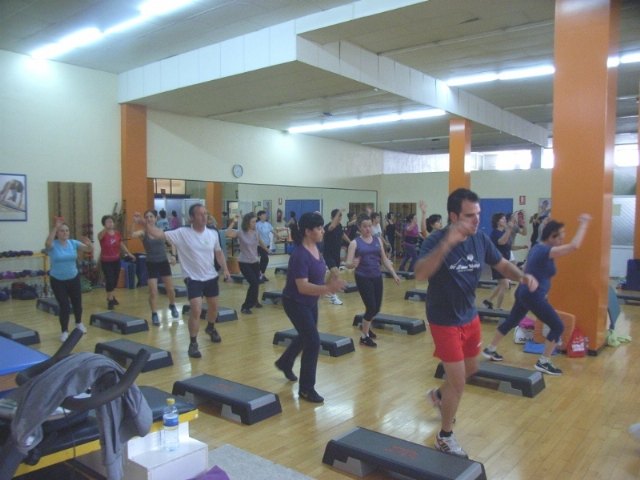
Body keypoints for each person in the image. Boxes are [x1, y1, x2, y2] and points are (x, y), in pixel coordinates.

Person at [415, 188, 538, 458]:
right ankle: (444, 435)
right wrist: (447, 244)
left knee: (471, 369)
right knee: (458, 382)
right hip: (444, 319)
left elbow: (502, 264)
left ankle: (438, 396)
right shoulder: (436, 239)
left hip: (469, 316)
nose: (476, 220)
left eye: (478, 214)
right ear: (453, 215)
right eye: (470, 216)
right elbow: (420, 274)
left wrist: (522, 276)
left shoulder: (480, 239)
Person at [483, 214, 591, 375]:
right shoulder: (545, 251)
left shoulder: (538, 248)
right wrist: (584, 224)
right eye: (560, 236)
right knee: (557, 326)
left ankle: (491, 349)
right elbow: (573, 246)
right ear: (551, 236)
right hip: (532, 295)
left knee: (513, 320)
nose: (563, 238)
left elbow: (531, 269)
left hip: (524, 292)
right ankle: (544, 362)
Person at [134, 204, 230, 359]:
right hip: (193, 278)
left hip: (211, 276)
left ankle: (210, 328)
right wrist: (144, 223)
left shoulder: (212, 233)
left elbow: (218, 252)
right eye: (199, 214)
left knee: (214, 308)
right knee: (196, 309)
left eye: (205, 214)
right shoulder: (182, 233)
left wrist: (225, 269)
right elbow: (158, 234)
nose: (204, 217)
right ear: (191, 217)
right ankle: (193, 343)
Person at [274, 212, 347, 403]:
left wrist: (338, 274)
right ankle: (306, 389)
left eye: (323, 227)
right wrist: (328, 289)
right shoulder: (299, 255)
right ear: (308, 231)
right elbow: (302, 286)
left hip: (310, 302)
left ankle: (284, 362)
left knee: (306, 336)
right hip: (295, 302)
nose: (323, 230)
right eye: (319, 228)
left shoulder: (316, 248)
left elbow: (319, 277)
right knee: (313, 341)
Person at [345, 213, 400, 347]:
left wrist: (393, 273)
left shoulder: (377, 240)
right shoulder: (354, 243)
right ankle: (364, 337)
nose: (368, 229)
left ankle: (366, 326)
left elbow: (384, 259)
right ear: (359, 227)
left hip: (376, 276)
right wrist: (353, 264)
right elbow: (347, 263)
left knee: (376, 308)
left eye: (369, 226)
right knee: (371, 307)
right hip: (363, 277)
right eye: (364, 226)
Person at [45, 217, 93, 342]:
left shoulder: (73, 243)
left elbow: (88, 249)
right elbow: (47, 243)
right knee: (64, 305)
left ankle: (78, 323)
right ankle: (64, 331)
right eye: (62, 231)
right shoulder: (53, 245)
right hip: (57, 280)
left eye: (66, 231)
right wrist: (55, 227)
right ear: (57, 233)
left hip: (73, 277)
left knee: (77, 303)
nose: (65, 233)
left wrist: (89, 244)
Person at [130, 210, 180, 326]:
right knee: (153, 292)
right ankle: (154, 314)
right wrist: (134, 222)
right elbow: (132, 235)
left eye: (151, 216)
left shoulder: (161, 231)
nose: (149, 218)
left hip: (163, 262)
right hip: (151, 263)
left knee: (170, 289)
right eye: (146, 217)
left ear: (155, 218)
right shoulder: (143, 233)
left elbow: (172, 243)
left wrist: (173, 256)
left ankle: (172, 305)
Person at [226, 212, 267, 314]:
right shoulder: (240, 232)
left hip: (254, 262)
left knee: (256, 282)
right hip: (244, 262)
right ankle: (245, 306)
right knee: (253, 282)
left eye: (255, 222)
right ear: (247, 222)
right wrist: (234, 221)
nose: (254, 224)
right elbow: (227, 233)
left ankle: (255, 301)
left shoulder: (255, 232)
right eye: (253, 222)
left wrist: (267, 249)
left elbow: (260, 242)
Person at [98, 214, 135, 310]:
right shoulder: (102, 234)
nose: (110, 223)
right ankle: (110, 300)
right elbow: (100, 237)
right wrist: (106, 229)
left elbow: (121, 244)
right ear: (104, 224)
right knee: (109, 280)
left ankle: (111, 296)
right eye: (108, 222)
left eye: (111, 221)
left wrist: (129, 253)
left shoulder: (117, 233)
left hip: (116, 260)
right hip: (106, 261)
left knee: (114, 281)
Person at [482, 213, 513, 310]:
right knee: (504, 284)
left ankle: (489, 301)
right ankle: (498, 309)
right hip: (497, 262)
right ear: (497, 222)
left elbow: (507, 246)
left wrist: (521, 247)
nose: (505, 220)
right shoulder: (495, 233)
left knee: (502, 284)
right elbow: (501, 242)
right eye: (502, 219)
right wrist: (509, 230)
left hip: (504, 261)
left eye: (505, 219)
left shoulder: (503, 232)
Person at [322, 209, 350, 306]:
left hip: (336, 255)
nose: (339, 219)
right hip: (328, 254)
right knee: (336, 273)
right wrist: (338, 213)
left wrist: (350, 242)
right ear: (332, 218)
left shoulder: (339, 226)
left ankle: (324, 288)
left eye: (340, 217)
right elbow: (332, 226)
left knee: (332, 274)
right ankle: (333, 297)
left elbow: (342, 234)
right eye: (338, 217)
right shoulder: (327, 227)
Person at [256, 210, 273, 280]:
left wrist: (279, 236)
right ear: (259, 216)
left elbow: (273, 230)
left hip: (267, 244)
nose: (265, 216)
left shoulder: (268, 224)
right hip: (260, 245)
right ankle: (260, 274)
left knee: (263, 260)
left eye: (265, 215)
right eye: (263, 215)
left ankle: (261, 274)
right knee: (265, 258)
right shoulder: (257, 225)